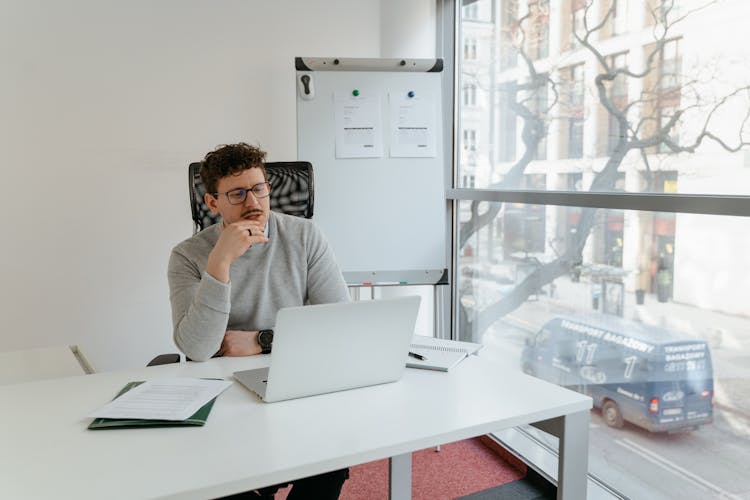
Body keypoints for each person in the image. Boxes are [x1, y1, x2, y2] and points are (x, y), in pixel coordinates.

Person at [167, 143, 350, 499]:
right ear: (213, 204)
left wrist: (261, 340)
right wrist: (219, 264)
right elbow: (198, 349)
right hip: (222, 395)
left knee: (332, 457)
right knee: (229, 480)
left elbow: (339, 326)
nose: (253, 203)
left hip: (290, 382)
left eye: (259, 188)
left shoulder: (305, 236)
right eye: (237, 194)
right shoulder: (188, 256)